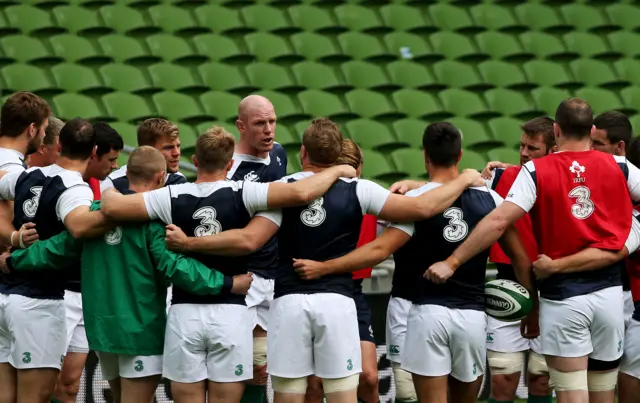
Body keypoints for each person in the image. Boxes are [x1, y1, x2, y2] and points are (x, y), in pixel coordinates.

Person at [162, 118, 484, 403]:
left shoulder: (283, 189)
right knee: (343, 394)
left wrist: (190, 242)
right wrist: (465, 178)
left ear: (303, 152)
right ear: (337, 155)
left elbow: (248, 240)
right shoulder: (359, 189)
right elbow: (421, 209)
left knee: (289, 395)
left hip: (288, 303)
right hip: (337, 303)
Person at [100, 126, 358, 403]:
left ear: (195, 161)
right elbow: (300, 193)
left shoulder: (170, 196)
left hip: (184, 312)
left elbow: (113, 208)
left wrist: (109, 189)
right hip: (231, 312)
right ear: (231, 164)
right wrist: (338, 170)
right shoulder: (245, 192)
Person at [291, 122, 530, 403]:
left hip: (426, 314)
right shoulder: (491, 199)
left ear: (425, 155)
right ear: (460, 154)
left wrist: (325, 267)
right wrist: (532, 309)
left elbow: (379, 249)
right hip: (472, 317)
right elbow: (521, 259)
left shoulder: (412, 202)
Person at [0, 146, 254, 403]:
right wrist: (227, 282)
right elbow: (176, 266)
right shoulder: (153, 221)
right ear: (161, 177)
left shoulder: (94, 214)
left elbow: (55, 248)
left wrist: (13, 259)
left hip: (103, 332)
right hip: (140, 331)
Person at [427, 98, 640, 403]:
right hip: (609, 298)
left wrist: (453, 260)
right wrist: (633, 234)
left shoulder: (537, 171)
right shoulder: (619, 165)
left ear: (556, 130)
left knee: (571, 393)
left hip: (564, 298)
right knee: (603, 391)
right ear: (591, 130)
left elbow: (499, 220)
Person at [0, 118, 112, 403]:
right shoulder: (75, 189)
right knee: (35, 397)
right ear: (94, 150)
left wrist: (13, 239)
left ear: (59, 144)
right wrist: (118, 210)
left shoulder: (26, 176)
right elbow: (79, 226)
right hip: (38, 302)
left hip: (5, 297)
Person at [51, 122, 123, 403]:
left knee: (70, 383)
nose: (114, 166)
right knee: (45, 380)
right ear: (93, 154)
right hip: (60, 292)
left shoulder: (108, 187)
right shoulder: (62, 184)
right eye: (111, 159)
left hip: (89, 293)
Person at [303, 139, 380, 403]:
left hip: (351, 292)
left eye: (352, 167)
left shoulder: (371, 198)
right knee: (313, 386)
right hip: (311, 289)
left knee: (369, 377)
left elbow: (421, 204)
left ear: (360, 168)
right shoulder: (309, 199)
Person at [224, 95, 288, 403]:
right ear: (241, 126)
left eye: (272, 122)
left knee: (261, 369)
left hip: (272, 275)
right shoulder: (230, 169)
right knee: (239, 370)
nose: (268, 130)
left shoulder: (279, 154)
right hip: (241, 278)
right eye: (259, 123)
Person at [0, 92, 50, 254]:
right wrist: (15, 237)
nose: (44, 135)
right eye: (44, 129)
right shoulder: (11, 168)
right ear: (32, 129)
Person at [101, 117, 187, 193]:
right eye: (168, 148)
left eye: (178, 146)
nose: (177, 153)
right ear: (147, 150)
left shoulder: (179, 179)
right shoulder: (112, 184)